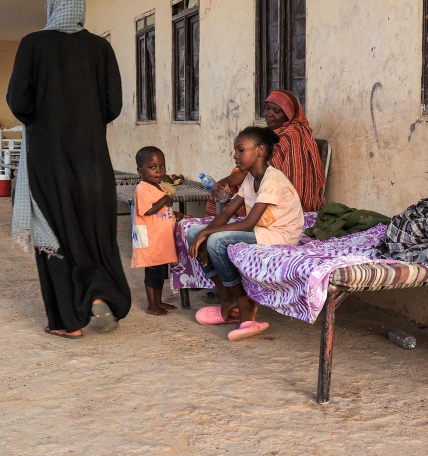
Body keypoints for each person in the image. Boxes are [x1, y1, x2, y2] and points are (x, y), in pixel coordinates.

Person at [7, 0, 131, 339]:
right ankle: (98, 296)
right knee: (93, 231)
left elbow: (19, 103)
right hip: (92, 157)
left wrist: (49, 116)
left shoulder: (33, 44)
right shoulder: (100, 48)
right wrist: (85, 120)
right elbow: (113, 105)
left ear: (51, 6)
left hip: (48, 157)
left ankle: (67, 321)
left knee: (54, 231)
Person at [187, 126, 304, 340]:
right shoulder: (250, 179)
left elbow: (248, 223)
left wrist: (208, 234)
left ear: (260, 151)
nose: (235, 155)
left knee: (216, 241)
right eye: (235, 150)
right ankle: (227, 298)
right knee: (193, 231)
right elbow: (228, 212)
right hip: (263, 231)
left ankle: (243, 303)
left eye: (241, 150)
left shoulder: (273, 178)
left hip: (281, 235)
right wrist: (202, 233)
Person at [205, 89, 325, 216]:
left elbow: (263, 171)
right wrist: (226, 182)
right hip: (260, 183)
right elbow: (250, 169)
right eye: (267, 108)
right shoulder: (271, 134)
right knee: (218, 199)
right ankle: (215, 232)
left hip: (283, 196)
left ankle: (219, 233)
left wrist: (229, 182)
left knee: (235, 207)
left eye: (276, 111)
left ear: (288, 115)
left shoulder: (291, 135)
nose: (269, 114)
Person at [132, 146, 180, 316]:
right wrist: (166, 199)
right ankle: (152, 305)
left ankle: (158, 301)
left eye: (161, 166)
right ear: (140, 170)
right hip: (151, 240)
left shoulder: (157, 186)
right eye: (152, 167)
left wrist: (177, 214)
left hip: (160, 240)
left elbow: (161, 212)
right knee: (152, 274)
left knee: (160, 274)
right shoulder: (143, 187)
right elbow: (148, 210)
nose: (158, 171)